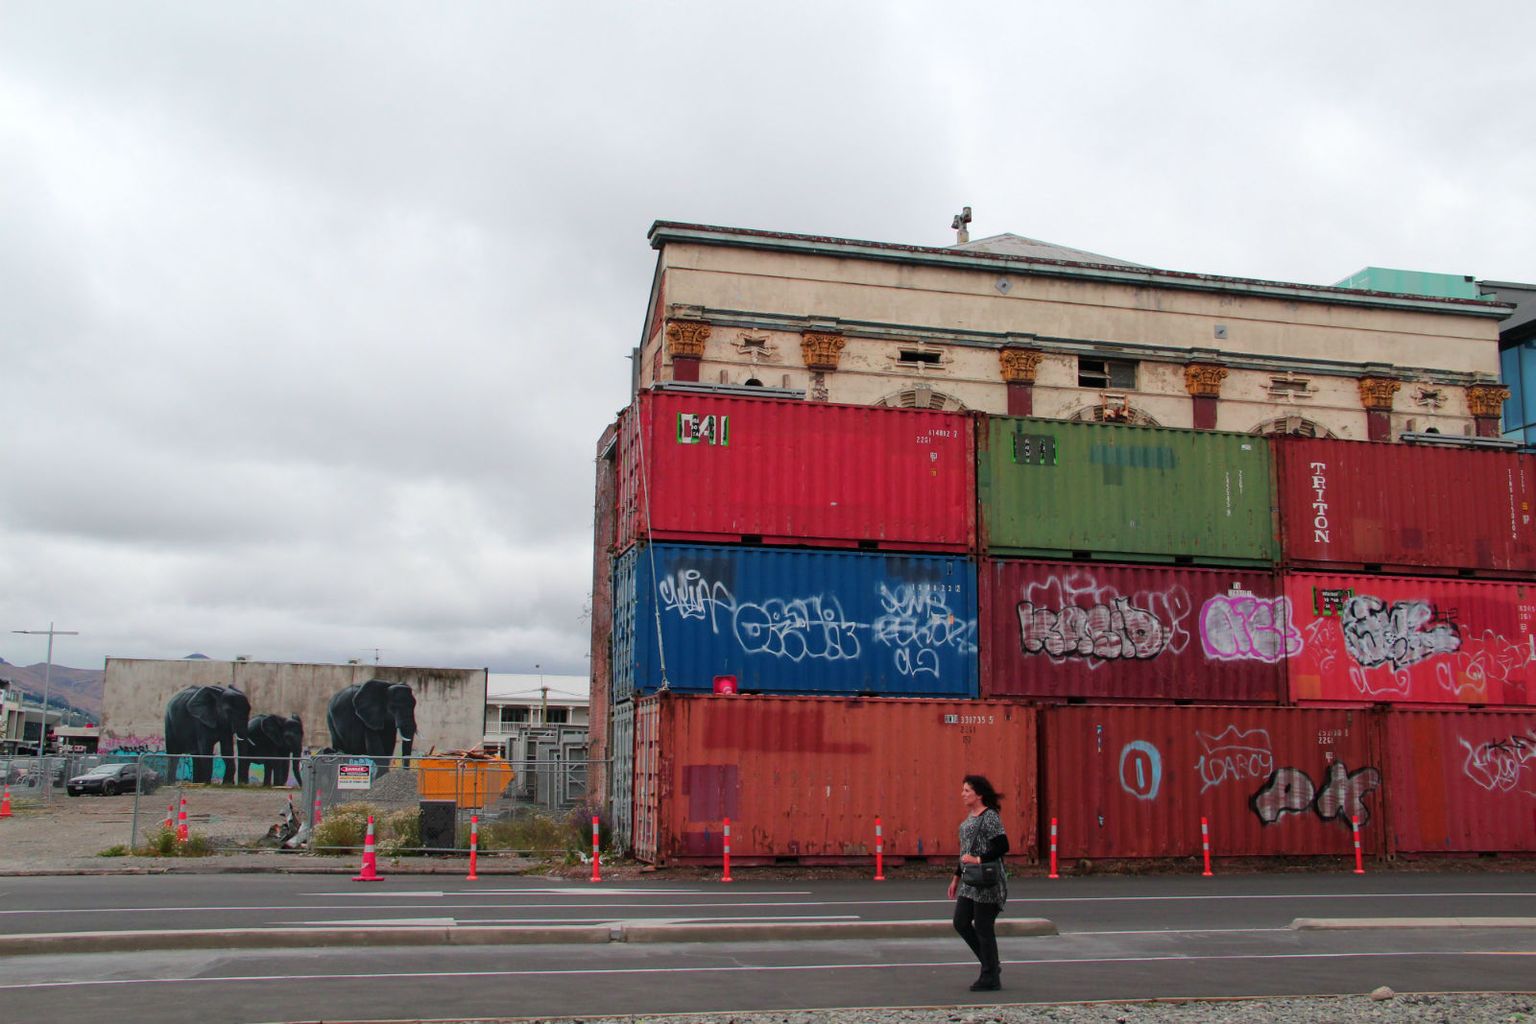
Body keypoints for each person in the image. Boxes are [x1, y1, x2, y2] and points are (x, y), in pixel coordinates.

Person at [948, 773, 1009, 991]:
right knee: (961, 922)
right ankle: (991, 964)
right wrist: (956, 877)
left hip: (987, 881)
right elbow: (965, 852)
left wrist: (978, 859)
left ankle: (990, 976)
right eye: (963, 790)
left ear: (979, 794)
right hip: (970, 881)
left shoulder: (989, 816)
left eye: (967, 790)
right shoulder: (970, 819)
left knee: (983, 927)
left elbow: (1003, 846)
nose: (962, 794)